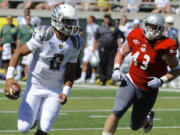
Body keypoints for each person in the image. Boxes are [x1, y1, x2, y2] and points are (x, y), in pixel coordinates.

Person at [4, 4, 83, 135]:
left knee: (44, 128)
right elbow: (18, 53)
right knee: (23, 128)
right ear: (57, 20)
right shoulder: (45, 34)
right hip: (35, 85)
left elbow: (70, 72)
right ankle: (35, 117)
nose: (71, 26)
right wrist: (9, 77)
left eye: (73, 22)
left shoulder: (75, 42)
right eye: (68, 22)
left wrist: (65, 92)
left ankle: (39, 116)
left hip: (55, 89)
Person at [102, 14, 180, 135]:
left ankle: (147, 119)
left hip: (149, 89)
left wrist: (162, 80)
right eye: (149, 26)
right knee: (117, 111)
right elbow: (121, 52)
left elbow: (177, 69)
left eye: (154, 27)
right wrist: (116, 68)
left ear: (160, 29)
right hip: (131, 80)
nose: (150, 30)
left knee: (135, 125)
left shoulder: (166, 45)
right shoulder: (136, 35)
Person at [93, 13, 124, 85]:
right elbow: (95, 38)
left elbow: (118, 38)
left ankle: (110, 79)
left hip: (112, 48)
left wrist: (120, 48)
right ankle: (102, 79)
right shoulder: (100, 28)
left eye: (108, 18)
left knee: (111, 64)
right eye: (105, 18)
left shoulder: (114, 28)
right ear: (104, 19)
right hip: (102, 48)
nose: (107, 19)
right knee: (102, 63)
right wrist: (94, 48)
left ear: (110, 19)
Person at [75, 15, 99, 83]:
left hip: (94, 48)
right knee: (84, 62)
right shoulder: (87, 26)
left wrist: (94, 47)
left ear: (92, 19)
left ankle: (93, 78)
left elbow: (96, 38)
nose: (87, 19)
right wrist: (86, 45)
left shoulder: (96, 26)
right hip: (88, 48)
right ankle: (82, 78)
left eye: (89, 18)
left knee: (94, 63)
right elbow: (88, 37)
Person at [15, 15, 34, 81]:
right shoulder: (22, 28)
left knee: (28, 63)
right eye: (27, 19)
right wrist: (17, 47)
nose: (28, 20)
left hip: (29, 48)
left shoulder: (33, 28)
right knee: (20, 62)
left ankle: (26, 76)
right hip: (21, 47)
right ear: (25, 19)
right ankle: (19, 75)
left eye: (29, 19)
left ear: (30, 19)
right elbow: (18, 38)